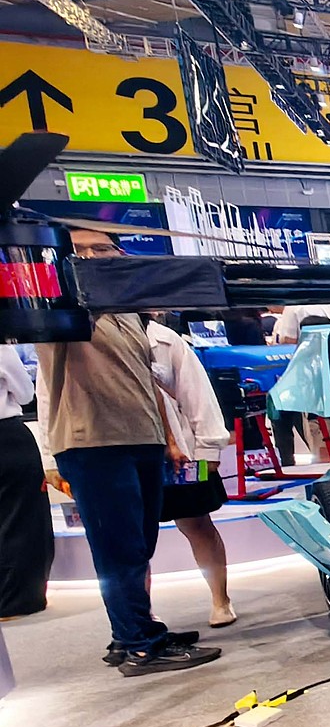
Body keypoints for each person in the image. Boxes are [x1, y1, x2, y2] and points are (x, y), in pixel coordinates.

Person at [37, 230, 219, 675]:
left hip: (142, 440)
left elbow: (147, 383)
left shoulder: (131, 314)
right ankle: (140, 645)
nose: (92, 257)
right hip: (94, 443)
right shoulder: (60, 307)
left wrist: (172, 442)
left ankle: (133, 630)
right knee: (117, 549)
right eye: (79, 251)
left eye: (102, 249)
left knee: (137, 545)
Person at [147, 316, 238, 628]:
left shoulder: (166, 339)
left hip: (179, 451)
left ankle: (220, 598)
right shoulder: (85, 333)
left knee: (197, 524)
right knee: (132, 538)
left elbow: (196, 393)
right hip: (122, 451)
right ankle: (139, 614)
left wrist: (209, 446)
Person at [0, 344, 52, 618]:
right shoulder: (3, 351)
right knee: (21, 516)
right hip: (8, 439)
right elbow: (24, 393)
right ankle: (16, 599)